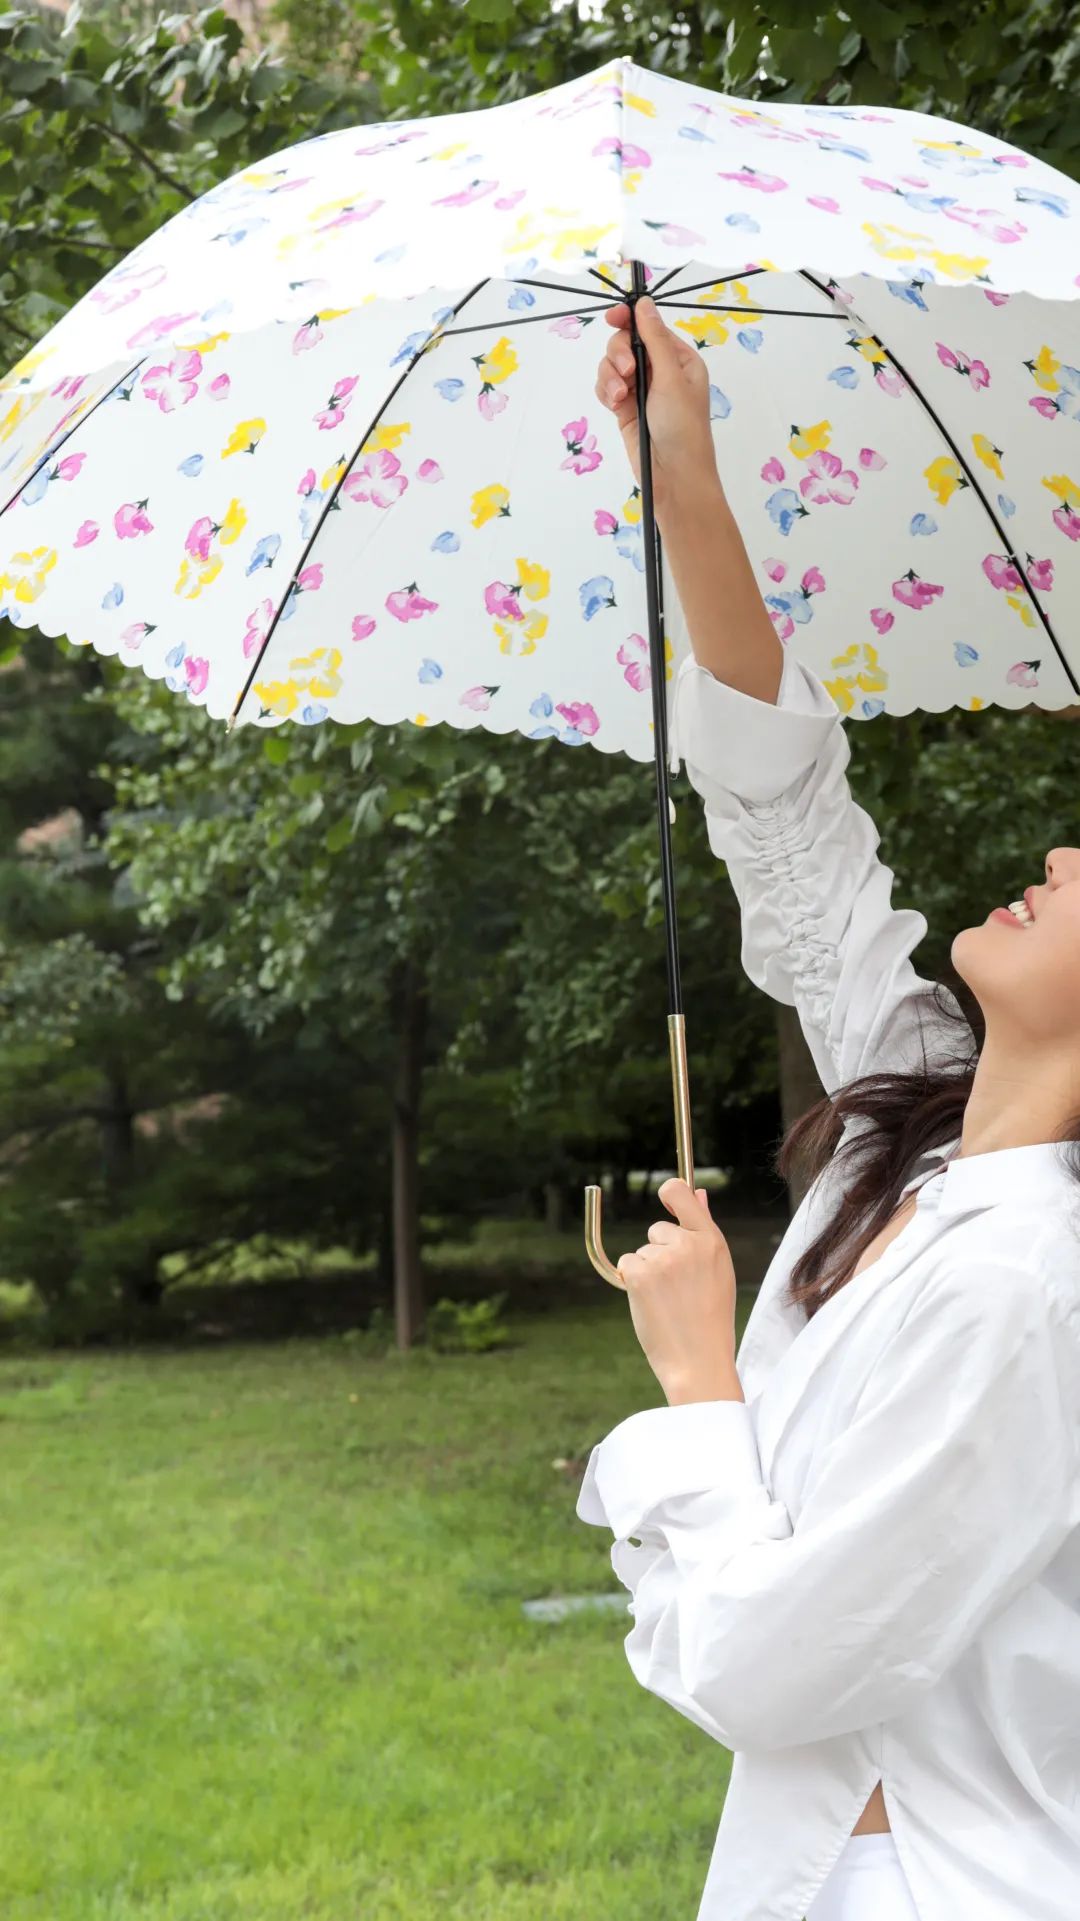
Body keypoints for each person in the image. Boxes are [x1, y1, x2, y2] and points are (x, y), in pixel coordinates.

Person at [577, 293, 1080, 1921]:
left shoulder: (1028, 1290)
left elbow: (767, 1663)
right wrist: (682, 464)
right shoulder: (914, 1113)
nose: (1061, 859)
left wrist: (698, 1385)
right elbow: (786, 803)